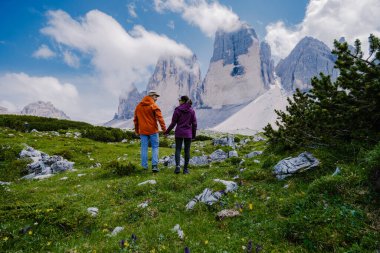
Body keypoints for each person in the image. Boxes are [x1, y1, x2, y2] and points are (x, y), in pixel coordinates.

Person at [134, 90, 166, 172]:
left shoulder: (138, 106)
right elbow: (160, 118)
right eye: (155, 96)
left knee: (143, 148)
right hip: (153, 130)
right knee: (155, 147)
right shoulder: (154, 106)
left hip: (143, 131)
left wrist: (137, 131)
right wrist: (164, 129)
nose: (156, 98)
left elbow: (135, 120)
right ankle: (154, 166)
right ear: (151, 96)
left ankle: (144, 167)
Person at [164, 95, 197, 174]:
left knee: (178, 149)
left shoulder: (177, 110)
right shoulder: (192, 111)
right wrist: (194, 135)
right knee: (187, 150)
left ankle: (178, 167)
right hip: (188, 133)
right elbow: (194, 124)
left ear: (183, 101)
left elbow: (173, 123)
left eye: (179, 100)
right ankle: (185, 169)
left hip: (179, 132)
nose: (178, 102)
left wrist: (167, 132)